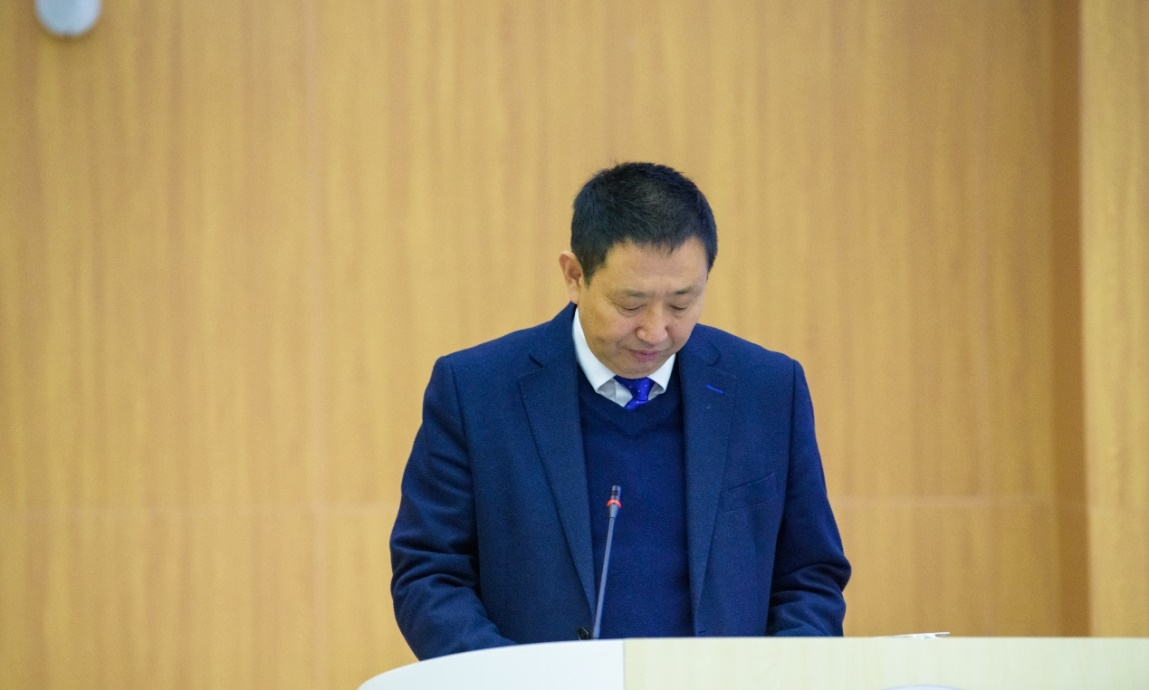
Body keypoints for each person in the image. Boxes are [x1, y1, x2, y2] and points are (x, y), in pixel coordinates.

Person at [390, 162, 850, 660]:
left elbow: (809, 576)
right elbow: (430, 574)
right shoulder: (476, 391)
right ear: (575, 276)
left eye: (681, 304)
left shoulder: (767, 390)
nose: (655, 331)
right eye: (630, 305)